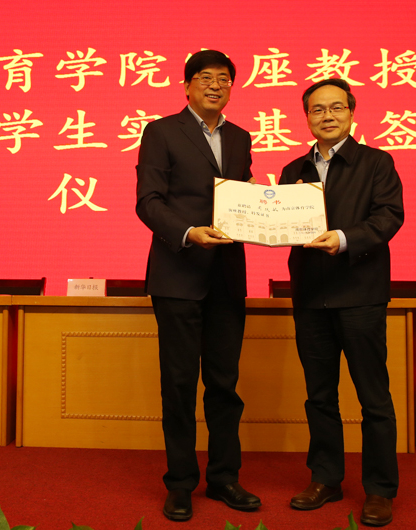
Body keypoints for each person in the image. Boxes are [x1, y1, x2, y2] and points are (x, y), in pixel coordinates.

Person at [135, 49, 261, 521]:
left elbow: (245, 198)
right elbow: (148, 201)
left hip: (227, 276)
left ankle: (225, 478)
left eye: (224, 79)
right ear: (187, 86)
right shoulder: (161, 131)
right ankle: (181, 482)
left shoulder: (240, 137)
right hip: (178, 275)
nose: (215, 85)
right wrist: (189, 233)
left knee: (225, 384)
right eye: (205, 78)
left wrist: (270, 215)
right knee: (180, 383)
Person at [279, 78, 404, 526]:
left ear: (351, 113)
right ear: (307, 118)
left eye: (336, 107)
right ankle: (326, 478)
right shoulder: (293, 170)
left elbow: (389, 217)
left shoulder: (376, 162)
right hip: (311, 297)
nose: (327, 116)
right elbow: (281, 224)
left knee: (373, 397)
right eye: (317, 109)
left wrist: (345, 239)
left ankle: (380, 490)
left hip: (360, 296)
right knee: (319, 396)